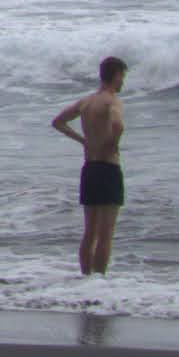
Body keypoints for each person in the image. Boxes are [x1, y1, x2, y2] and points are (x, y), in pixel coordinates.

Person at [46, 55, 130, 276]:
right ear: (117, 76)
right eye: (123, 77)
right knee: (106, 233)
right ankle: (100, 282)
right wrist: (111, 144)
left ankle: (86, 280)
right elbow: (118, 125)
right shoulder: (111, 101)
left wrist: (83, 140)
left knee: (89, 232)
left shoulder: (86, 102)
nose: (123, 82)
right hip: (108, 168)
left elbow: (58, 122)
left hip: (90, 169)